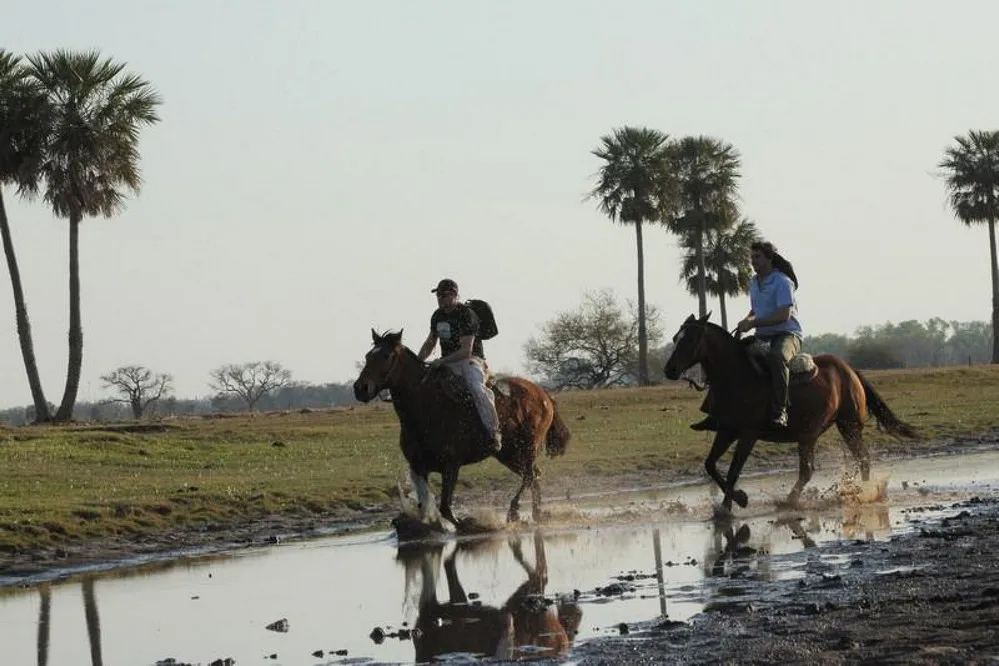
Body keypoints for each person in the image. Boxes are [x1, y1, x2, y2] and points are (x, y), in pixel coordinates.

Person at [690, 240, 803, 431]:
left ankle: (780, 411)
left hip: (787, 335)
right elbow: (755, 309)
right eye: (751, 258)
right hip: (763, 336)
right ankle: (714, 411)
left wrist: (753, 323)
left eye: (757, 257)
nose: (753, 261)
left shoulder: (783, 282)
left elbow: (784, 315)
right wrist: (746, 321)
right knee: (729, 359)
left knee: (777, 358)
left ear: (769, 258)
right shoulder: (753, 282)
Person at [418, 278, 502, 453]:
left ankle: (493, 433)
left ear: (455, 295)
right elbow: (430, 343)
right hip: (447, 363)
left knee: (476, 388)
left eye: (444, 295)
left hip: (471, 361)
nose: (440, 298)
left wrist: (441, 361)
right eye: (438, 295)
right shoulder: (437, 316)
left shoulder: (466, 315)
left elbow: (466, 351)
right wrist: (418, 361)